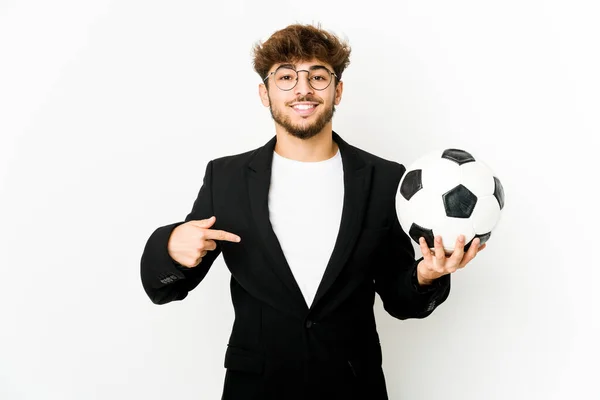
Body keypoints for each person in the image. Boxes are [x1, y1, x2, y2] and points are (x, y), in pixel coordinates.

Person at [140, 23, 486, 400]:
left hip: (352, 388)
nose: (302, 89)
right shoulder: (226, 178)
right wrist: (173, 247)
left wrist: (426, 274)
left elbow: (401, 302)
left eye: (317, 76)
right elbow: (163, 290)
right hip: (256, 389)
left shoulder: (385, 179)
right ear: (264, 93)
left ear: (337, 90)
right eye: (285, 77)